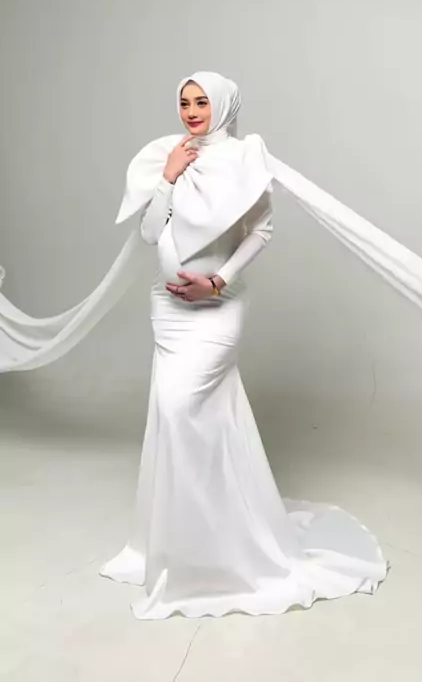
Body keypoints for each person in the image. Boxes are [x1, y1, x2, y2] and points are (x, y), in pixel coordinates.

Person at [99, 72, 387, 619]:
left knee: (182, 409)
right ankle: (186, 542)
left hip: (217, 308)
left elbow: (262, 231)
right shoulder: (171, 155)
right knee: (179, 418)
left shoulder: (245, 157)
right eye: (184, 102)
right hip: (168, 311)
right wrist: (168, 178)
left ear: (224, 105)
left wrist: (217, 281)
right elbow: (150, 233)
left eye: (201, 102)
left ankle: (221, 551)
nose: (191, 111)